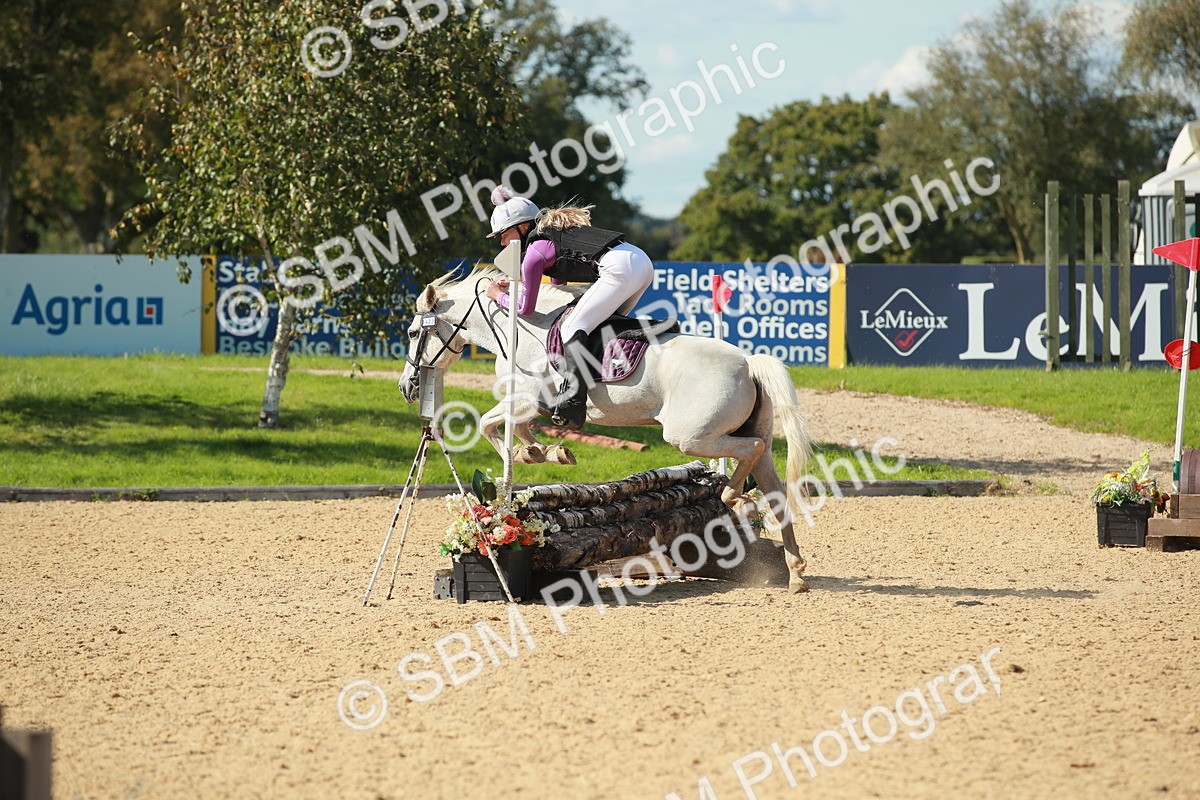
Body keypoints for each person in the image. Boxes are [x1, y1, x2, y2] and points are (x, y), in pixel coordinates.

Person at [482, 185, 654, 431]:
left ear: (521, 227)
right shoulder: (550, 236)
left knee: (572, 326)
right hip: (640, 262)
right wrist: (517, 284)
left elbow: (525, 309)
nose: (502, 242)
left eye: (503, 234)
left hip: (620, 268)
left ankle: (572, 403)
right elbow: (557, 287)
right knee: (601, 327)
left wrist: (497, 295)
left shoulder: (534, 253)